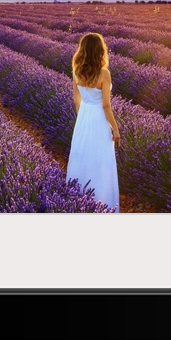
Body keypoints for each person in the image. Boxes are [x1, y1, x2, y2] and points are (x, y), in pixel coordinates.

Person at [66, 32, 121, 212]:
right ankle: (102, 203)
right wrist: (115, 128)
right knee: (101, 161)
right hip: (98, 118)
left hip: (84, 117)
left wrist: (83, 119)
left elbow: (76, 101)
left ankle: (77, 202)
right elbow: (106, 105)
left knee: (81, 158)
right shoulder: (104, 73)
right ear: (100, 50)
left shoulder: (77, 70)